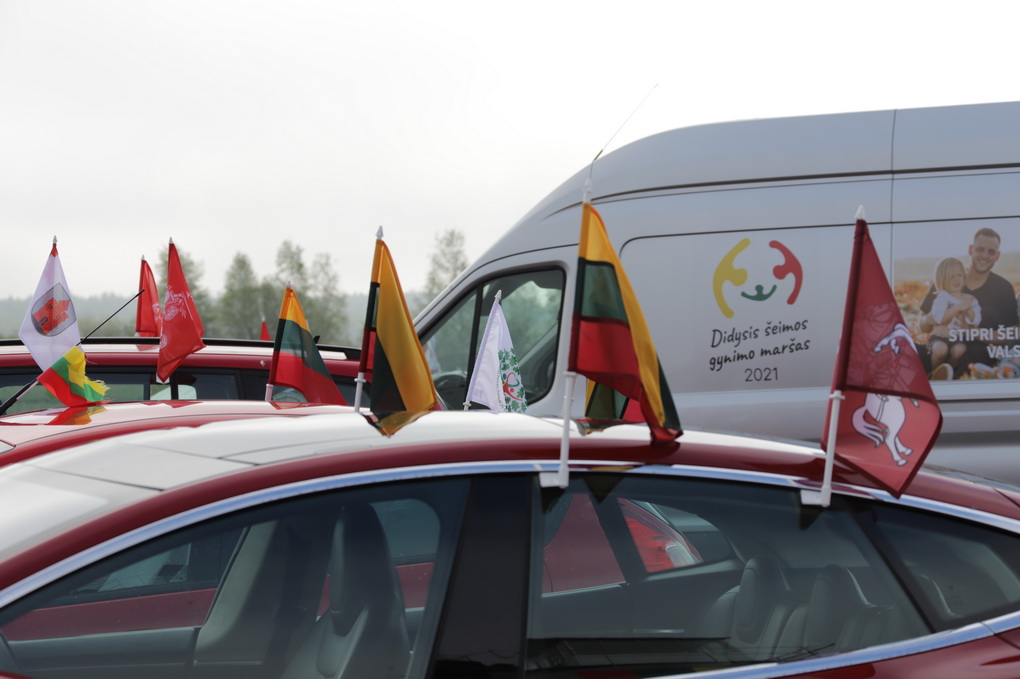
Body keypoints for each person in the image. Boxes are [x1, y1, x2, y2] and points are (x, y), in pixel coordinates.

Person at [920, 228, 1019, 377]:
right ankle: (936, 375)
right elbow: (923, 325)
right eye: (980, 249)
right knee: (907, 351)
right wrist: (929, 319)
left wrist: (974, 331)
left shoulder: (1003, 288)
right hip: (939, 345)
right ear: (970, 249)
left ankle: (944, 378)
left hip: (977, 353)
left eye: (991, 252)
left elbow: (1012, 332)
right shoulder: (947, 279)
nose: (984, 255)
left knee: (978, 355)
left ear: (997, 256)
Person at [927, 257, 980, 379]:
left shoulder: (969, 299)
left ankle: (947, 373)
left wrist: (969, 312)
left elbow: (976, 321)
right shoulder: (942, 297)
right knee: (940, 349)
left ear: (964, 276)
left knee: (959, 350)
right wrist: (959, 307)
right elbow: (939, 319)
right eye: (951, 277)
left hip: (958, 337)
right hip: (940, 337)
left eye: (959, 275)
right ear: (942, 279)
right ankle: (934, 373)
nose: (956, 279)